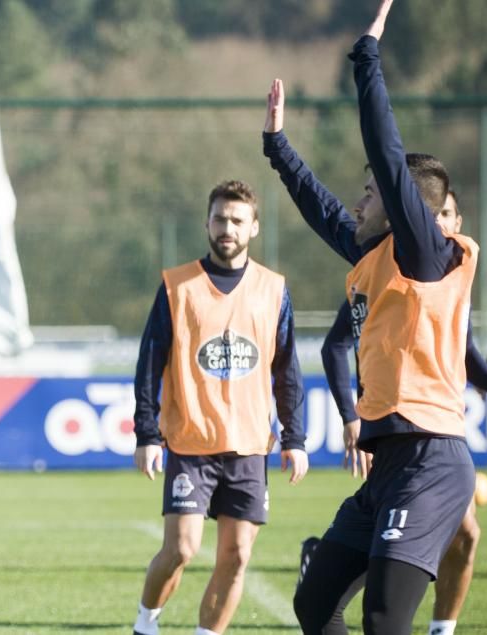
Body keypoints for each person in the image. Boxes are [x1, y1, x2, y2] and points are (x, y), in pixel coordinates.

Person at [264, 2, 487, 631]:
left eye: (370, 193)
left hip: (431, 462)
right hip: (389, 464)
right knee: (314, 602)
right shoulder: (376, 254)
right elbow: (323, 208)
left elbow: (387, 149)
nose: (359, 199)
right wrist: (277, 147)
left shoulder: (423, 251)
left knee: (384, 620)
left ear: (404, 205)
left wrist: (367, 59)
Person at [313, 190, 487, 635]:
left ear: (458, 219)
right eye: (437, 216)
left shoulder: (451, 277)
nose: (444, 226)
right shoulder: (389, 273)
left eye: (451, 215)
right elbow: (336, 343)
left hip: (434, 451)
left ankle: (442, 627)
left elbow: (465, 353)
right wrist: (352, 415)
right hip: (399, 451)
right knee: (334, 605)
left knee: (461, 538)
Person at [131, 179, 309, 635]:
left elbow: (287, 368)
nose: (226, 227)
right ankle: (146, 623)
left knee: (237, 556)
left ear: (253, 228)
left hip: (249, 444)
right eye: (219, 218)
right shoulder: (178, 286)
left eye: (236, 220)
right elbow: (150, 362)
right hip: (191, 441)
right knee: (182, 550)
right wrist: (148, 435)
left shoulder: (274, 289)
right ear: (207, 223)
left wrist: (295, 437)